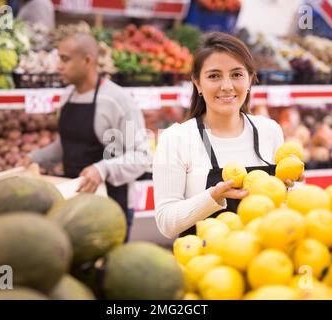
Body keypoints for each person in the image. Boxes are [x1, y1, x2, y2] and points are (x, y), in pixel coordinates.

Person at [153, 32, 293, 239]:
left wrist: (289, 190)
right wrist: (212, 197)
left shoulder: (270, 131)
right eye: (214, 76)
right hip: (208, 265)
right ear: (197, 83)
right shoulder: (177, 138)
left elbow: (288, 211)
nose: (226, 86)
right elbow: (166, 223)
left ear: (251, 79)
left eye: (237, 74)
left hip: (264, 262)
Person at [23, 33, 151, 241]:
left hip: (111, 206)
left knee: (107, 270)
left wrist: (102, 169)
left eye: (65, 59)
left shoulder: (117, 100)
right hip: (71, 203)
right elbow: (68, 145)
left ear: (88, 61)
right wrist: (35, 158)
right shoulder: (67, 96)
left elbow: (142, 156)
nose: (58, 66)